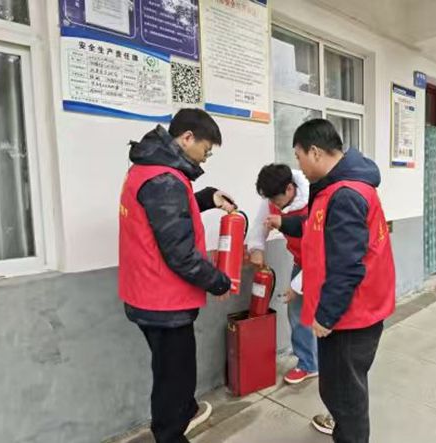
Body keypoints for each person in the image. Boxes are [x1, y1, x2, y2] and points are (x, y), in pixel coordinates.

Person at [266, 119, 396, 443]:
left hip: (351, 317)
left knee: (346, 397)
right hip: (348, 313)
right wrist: (282, 223)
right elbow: (315, 229)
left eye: (299, 157)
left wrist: (325, 316)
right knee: (337, 389)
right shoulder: (331, 189)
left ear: (314, 152)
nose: (299, 166)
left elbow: (347, 267)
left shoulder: (346, 194)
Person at [118, 109, 236, 443]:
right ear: (187, 138)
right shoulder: (165, 180)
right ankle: (170, 433)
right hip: (163, 302)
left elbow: (165, 217)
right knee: (174, 379)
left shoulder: (148, 170)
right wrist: (219, 281)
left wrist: (205, 198)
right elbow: (180, 253)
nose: (206, 157)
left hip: (149, 294)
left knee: (173, 371)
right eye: (206, 149)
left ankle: (183, 411)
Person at [247, 164, 318, 384]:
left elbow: (321, 250)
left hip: (324, 261)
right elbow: (260, 224)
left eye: (276, 200)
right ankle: (308, 363)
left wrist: (297, 286)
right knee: (298, 313)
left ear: (289, 188)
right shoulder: (272, 198)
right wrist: (256, 249)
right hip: (300, 261)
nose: (273, 205)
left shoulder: (314, 198)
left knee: (324, 312)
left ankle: (324, 360)